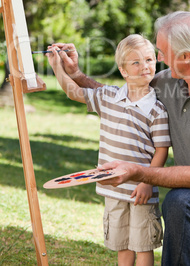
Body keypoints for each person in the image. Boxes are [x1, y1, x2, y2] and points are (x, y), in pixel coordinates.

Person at [52, 11, 190, 266]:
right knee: (189, 206)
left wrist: (138, 172)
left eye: (162, 53)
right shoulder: (169, 81)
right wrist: (76, 74)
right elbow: (123, 97)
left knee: (181, 202)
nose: (159, 59)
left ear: (186, 56)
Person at [46, 34, 171, 266]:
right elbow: (74, 92)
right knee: (122, 245)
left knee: (143, 246)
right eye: (136, 62)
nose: (145, 66)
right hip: (113, 190)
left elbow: (161, 151)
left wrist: (147, 182)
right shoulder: (108, 97)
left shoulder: (157, 109)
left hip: (140, 192)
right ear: (123, 71)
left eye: (149, 60)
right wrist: (57, 68)